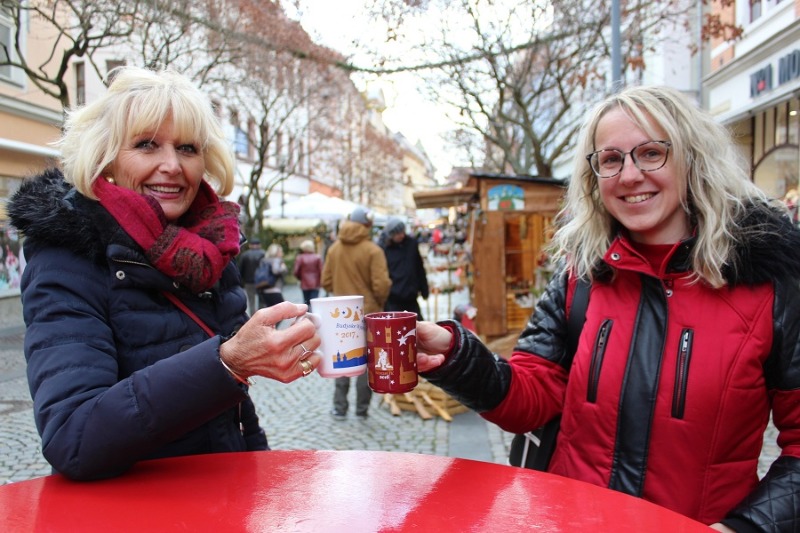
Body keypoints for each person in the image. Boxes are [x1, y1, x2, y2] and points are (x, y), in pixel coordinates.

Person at [414, 86, 800, 531]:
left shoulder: (769, 282)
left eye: (651, 153)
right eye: (611, 160)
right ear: (594, 176)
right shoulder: (582, 276)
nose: (630, 175)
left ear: (692, 159)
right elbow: (531, 397)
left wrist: (744, 527)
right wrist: (457, 357)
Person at [7, 66, 322, 481]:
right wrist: (225, 363)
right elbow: (73, 437)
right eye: (146, 145)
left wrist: (258, 484)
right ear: (106, 158)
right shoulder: (68, 258)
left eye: (188, 148)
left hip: (219, 503)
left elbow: (235, 414)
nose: (171, 165)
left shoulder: (211, 251)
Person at [321, 206, 391, 419]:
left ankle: (339, 408)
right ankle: (362, 410)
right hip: (367, 312)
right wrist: (377, 303)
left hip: (340, 314)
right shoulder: (373, 250)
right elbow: (381, 286)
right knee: (368, 361)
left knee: (343, 359)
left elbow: (326, 281)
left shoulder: (334, 249)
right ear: (367, 225)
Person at [380, 217, 429, 319]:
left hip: (411, 296)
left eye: (402, 232)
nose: (401, 235)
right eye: (398, 233)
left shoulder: (412, 244)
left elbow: (419, 267)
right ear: (391, 235)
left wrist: (424, 289)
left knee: (418, 327)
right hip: (393, 300)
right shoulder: (384, 249)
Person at [237, 237, 264, 315]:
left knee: (251, 302)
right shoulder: (264, 254)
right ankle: (262, 317)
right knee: (261, 301)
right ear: (260, 245)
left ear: (250, 245)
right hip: (262, 282)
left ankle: (253, 318)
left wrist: (241, 282)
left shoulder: (245, 255)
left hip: (249, 282)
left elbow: (240, 269)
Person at [257, 242, 288, 309]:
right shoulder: (277, 260)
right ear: (276, 252)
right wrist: (283, 268)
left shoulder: (264, 260)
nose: (282, 253)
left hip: (264, 288)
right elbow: (275, 271)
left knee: (270, 311)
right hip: (275, 289)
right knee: (280, 312)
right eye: (280, 251)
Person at [293, 239, 323, 306]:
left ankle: (307, 315)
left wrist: (300, 278)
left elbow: (296, 271)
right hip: (315, 283)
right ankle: (314, 315)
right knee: (315, 302)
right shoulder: (317, 257)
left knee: (306, 302)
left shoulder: (300, 258)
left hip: (304, 283)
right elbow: (321, 271)